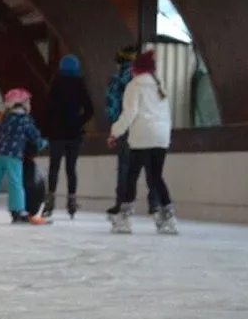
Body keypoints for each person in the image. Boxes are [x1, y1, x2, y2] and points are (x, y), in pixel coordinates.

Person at [108, 50, 176, 234]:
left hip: (142, 136)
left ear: (136, 70)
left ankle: (124, 217)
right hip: (161, 137)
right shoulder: (159, 86)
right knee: (156, 177)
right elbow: (167, 115)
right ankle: (168, 216)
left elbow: (129, 114)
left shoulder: (134, 86)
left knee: (132, 175)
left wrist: (115, 132)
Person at [0, 88, 48, 224]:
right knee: (15, 182)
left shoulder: (5, 119)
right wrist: (43, 143)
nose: (30, 105)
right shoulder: (25, 120)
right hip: (14, 155)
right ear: (23, 104)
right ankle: (17, 211)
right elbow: (35, 137)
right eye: (28, 102)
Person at [106, 45, 160, 216]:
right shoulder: (151, 80)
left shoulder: (117, 80)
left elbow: (112, 106)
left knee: (125, 167)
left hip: (126, 128)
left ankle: (122, 203)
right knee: (151, 167)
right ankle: (155, 203)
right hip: (147, 127)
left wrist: (115, 128)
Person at [43, 54, 94, 218]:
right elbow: (90, 110)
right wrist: (78, 122)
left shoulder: (55, 84)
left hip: (56, 133)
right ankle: (71, 201)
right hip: (73, 134)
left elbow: (47, 109)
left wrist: (51, 125)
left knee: (54, 167)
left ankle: (50, 200)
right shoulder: (80, 85)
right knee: (71, 169)